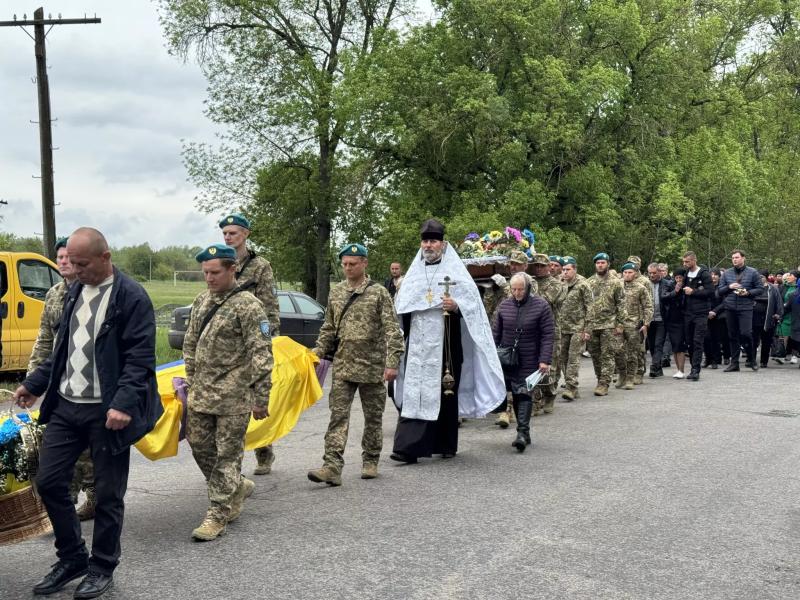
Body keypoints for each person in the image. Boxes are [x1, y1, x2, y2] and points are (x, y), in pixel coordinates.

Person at [14, 227, 162, 599]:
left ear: (105, 258)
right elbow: (63, 349)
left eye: (81, 264)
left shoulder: (130, 297)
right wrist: (34, 383)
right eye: (71, 263)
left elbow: (140, 358)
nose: (74, 270)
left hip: (107, 412)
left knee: (109, 495)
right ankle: (73, 558)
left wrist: (123, 404)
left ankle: (102, 566)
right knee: (48, 483)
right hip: (67, 406)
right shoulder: (74, 291)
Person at [391, 219, 505, 463]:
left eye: (433, 241)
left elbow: (474, 307)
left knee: (446, 392)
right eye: (425, 241)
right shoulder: (412, 276)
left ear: (442, 244)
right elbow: (401, 309)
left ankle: (445, 443)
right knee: (416, 393)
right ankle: (408, 448)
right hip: (418, 348)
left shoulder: (456, 273)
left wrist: (456, 306)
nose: (428, 245)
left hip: (446, 346)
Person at [182, 243, 273, 540]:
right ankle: (236, 486)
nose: (209, 278)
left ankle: (217, 514)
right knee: (199, 447)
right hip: (202, 394)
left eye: (215, 272)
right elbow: (190, 344)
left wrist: (261, 397)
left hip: (234, 397)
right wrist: (192, 379)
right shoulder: (201, 302)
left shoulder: (248, 305)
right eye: (205, 273)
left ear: (232, 269)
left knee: (227, 455)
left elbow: (261, 352)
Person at [308, 243, 404, 485]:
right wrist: (317, 352)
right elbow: (329, 327)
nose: (348, 268)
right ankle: (331, 466)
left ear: (364, 263)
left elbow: (393, 330)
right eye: (344, 264)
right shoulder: (336, 292)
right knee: (338, 416)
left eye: (353, 264)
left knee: (373, 417)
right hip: (343, 365)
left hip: (372, 366)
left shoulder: (378, 292)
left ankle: (370, 460)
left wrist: (392, 363)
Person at [26, 237, 96, 521]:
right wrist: (33, 379)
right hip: (58, 379)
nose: (64, 261)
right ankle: (62, 505)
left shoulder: (92, 292)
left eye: (69, 257)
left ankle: (93, 497)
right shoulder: (54, 294)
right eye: (60, 257)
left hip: (87, 382)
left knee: (88, 449)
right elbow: (45, 339)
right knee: (59, 445)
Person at [219, 213, 280, 476]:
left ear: (245, 234)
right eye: (225, 233)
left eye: (232, 233)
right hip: (228, 343)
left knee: (257, 397)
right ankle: (232, 465)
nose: (228, 237)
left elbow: (269, 304)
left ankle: (264, 450)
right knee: (232, 403)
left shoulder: (260, 266)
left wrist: (270, 338)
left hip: (253, 340)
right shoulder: (219, 262)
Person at [493, 273, 553, 451]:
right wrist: (491, 356)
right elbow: (496, 332)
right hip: (508, 358)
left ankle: (521, 433)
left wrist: (544, 360)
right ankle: (525, 434)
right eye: (514, 289)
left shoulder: (541, 306)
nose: (517, 293)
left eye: (520, 289)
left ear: (528, 288)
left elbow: (548, 335)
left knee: (524, 392)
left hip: (530, 358)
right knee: (515, 393)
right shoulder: (504, 306)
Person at [482, 249, 536, 428]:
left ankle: (511, 412)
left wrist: (506, 287)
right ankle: (506, 408)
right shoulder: (503, 281)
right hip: (503, 331)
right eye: (511, 264)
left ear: (525, 266)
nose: (514, 267)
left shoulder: (530, 283)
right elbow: (490, 306)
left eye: (518, 264)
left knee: (518, 376)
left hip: (522, 337)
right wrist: (491, 290)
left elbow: (524, 300)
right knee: (505, 373)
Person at [585, 253, 627, 396]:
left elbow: (621, 304)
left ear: (608, 264)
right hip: (592, 325)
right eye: (598, 263)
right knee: (595, 355)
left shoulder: (616, 282)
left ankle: (604, 383)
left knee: (607, 355)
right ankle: (599, 379)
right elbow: (584, 304)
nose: (600, 265)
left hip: (609, 324)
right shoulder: (589, 282)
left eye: (603, 262)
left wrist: (620, 324)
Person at [531, 253, 566, 414]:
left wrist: (530, 287)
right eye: (536, 265)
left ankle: (550, 394)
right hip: (531, 331)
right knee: (532, 368)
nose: (538, 269)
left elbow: (543, 301)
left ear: (549, 268)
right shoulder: (530, 281)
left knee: (548, 370)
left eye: (542, 266)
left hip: (550, 331)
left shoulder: (556, 284)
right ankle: (535, 400)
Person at [718, 249, 763, 371]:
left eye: (737, 257)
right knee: (732, 335)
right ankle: (734, 363)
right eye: (733, 258)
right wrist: (729, 287)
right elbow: (720, 290)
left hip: (746, 307)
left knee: (746, 333)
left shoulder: (753, 272)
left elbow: (760, 289)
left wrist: (748, 292)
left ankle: (751, 359)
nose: (734, 260)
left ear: (743, 258)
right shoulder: (727, 273)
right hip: (730, 307)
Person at [559, 256, 592, 400]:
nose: (565, 272)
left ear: (575, 269)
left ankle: (571, 387)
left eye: (568, 270)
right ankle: (571, 385)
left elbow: (590, 307)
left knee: (573, 358)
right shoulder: (560, 284)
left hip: (578, 327)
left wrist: (587, 329)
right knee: (563, 358)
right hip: (562, 327)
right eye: (563, 270)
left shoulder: (583, 284)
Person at [616, 263, 653, 389]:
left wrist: (646, 324)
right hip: (618, 324)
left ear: (636, 273)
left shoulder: (640, 288)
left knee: (633, 353)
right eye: (625, 272)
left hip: (634, 325)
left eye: (630, 272)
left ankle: (631, 378)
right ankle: (622, 374)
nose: (627, 274)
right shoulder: (617, 286)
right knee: (617, 350)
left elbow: (648, 307)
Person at [680, 251, 714, 381]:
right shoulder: (685, 274)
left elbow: (710, 292)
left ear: (694, 260)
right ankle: (693, 365)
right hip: (687, 313)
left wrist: (693, 292)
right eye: (684, 262)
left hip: (700, 313)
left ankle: (695, 369)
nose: (685, 264)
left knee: (697, 340)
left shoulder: (704, 274)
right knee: (689, 342)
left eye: (687, 261)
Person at [626, 256, 652, 382]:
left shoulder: (644, 281)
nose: (633, 266)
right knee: (627, 348)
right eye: (630, 264)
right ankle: (628, 371)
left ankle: (639, 371)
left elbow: (649, 303)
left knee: (640, 348)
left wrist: (647, 321)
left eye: (635, 264)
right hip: (626, 319)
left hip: (640, 319)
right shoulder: (623, 280)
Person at [752, 269, 783, 368]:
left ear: (766, 278)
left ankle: (763, 361)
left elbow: (779, 302)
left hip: (768, 318)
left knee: (766, 341)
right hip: (754, 318)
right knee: (753, 340)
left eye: (761, 277)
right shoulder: (752, 288)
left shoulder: (773, 289)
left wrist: (778, 314)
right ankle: (751, 359)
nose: (760, 279)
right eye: (758, 277)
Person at [661, 267, 688, 378]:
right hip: (671, 319)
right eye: (676, 277)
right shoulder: (670, 285)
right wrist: (675, 291)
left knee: (679, 345)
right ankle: (678, 370)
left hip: (683, 319)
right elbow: (664, 297)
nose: (678, 280)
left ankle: (681, 370)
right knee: (675, 346)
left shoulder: (688, 286)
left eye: (680, 278)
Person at [704, 268, 730, 368]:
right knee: (706, 338)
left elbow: (725, 302)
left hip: (719, 316)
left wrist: (714, 311)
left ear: (719, 276)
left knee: (717, 338)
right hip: (706, 315)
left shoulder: (722, 288)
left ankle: (716, 360)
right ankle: (708, 358)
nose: (713, 276)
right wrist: (707, 312)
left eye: (715, 274)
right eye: (711, 274)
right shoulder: (706, 287)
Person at [646, 263, 667, 377]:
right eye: (650, 273)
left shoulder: (667, 284)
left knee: (659, 344)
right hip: (649, 320)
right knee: (652, 345)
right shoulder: (645, 284)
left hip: (661, 320)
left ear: (660, 272)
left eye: (654, 273)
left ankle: (654, 367)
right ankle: (658, 368)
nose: (652, 275)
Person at [775, 270, 798, 364]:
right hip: (785, 314)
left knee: (795, 336)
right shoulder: (784, 287)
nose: (787, 277)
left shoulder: (797, 288)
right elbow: (779, 299)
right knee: (783, 334)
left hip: (795, 315)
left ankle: (795, 355)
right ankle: (781, 355)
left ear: (795, 278)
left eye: (790, 275)